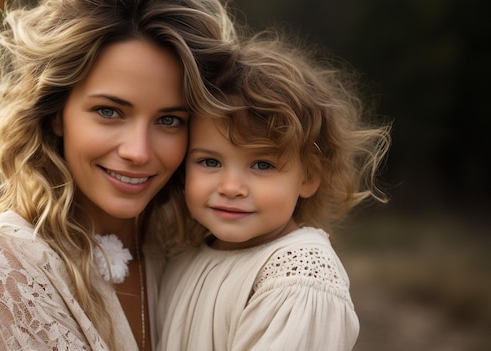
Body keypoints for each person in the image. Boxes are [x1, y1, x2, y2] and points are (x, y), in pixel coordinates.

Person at [0, 0, 238, 350]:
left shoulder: (186, 251)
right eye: (109, 111)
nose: (138, 152)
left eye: (169, 120)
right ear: (57, 114)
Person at [156, 31, 392, 351]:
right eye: (210, 161)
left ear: (309, 176)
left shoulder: (298, 279)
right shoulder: (181, 252)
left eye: (262, 165)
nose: (231, 188)